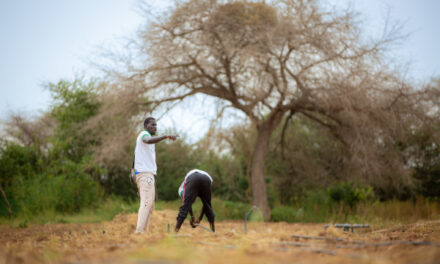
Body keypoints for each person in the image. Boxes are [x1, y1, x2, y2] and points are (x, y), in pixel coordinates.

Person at [134, 117, 178, 235]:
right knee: (146, 203)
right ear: (146, 126)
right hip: (145, 175)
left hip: (145, 175)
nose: (155, 127)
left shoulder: (147, 140)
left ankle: (144, 232)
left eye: (156, 125)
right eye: (152, 125)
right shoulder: (144, 134)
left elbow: (136, 159)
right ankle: (139, 232)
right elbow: (148, 140)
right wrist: (165, 136)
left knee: (150, 206)